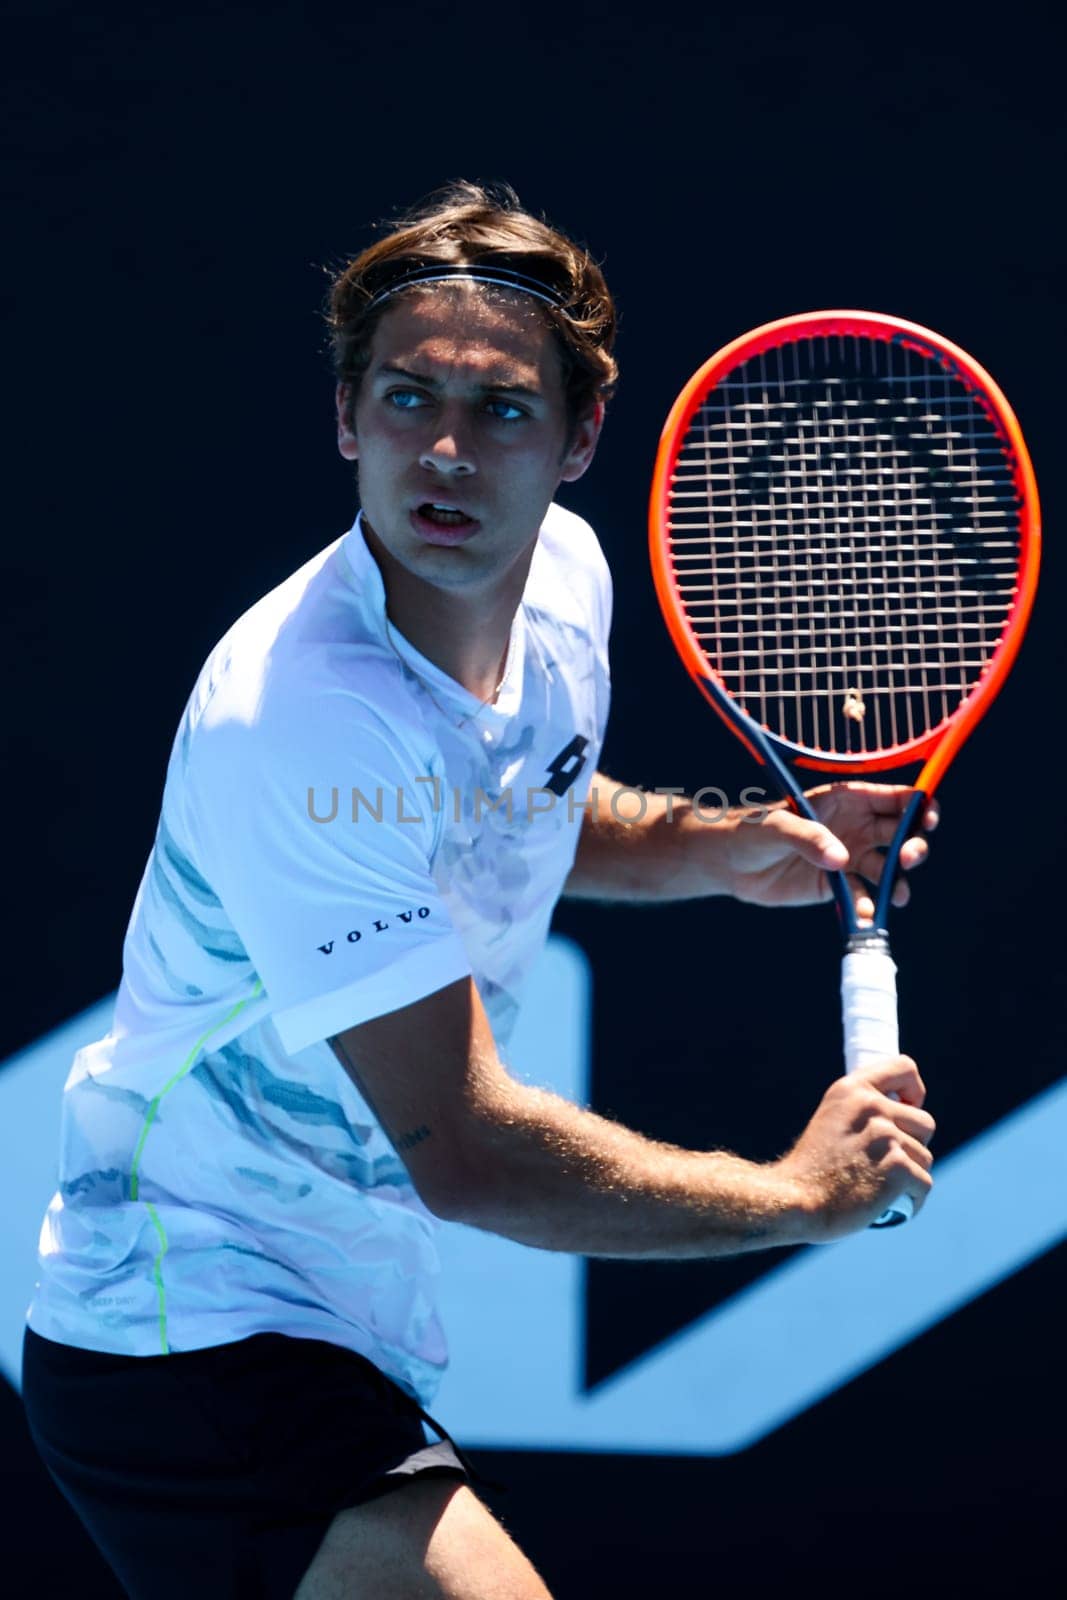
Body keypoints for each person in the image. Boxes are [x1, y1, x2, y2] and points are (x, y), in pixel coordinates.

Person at [21, 179, 936, 1600]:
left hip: (338, 1313)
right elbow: (470, 1151)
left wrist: (716, 844)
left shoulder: (565, 577)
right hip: (189, 1328)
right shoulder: (299, 716)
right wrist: (790, 1198)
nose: (445, 451)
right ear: (346, 420)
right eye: (406, 399)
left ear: (578, 440)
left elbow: (522, 802)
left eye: (502, 409)